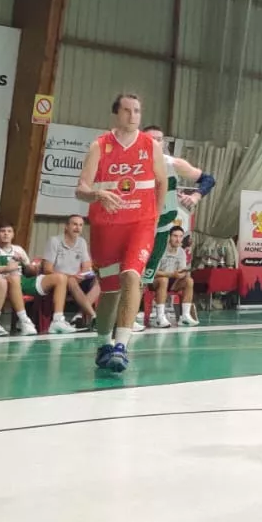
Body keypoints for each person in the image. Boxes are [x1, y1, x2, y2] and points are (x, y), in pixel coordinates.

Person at [77, 91, 170, 374]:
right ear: (117, 113)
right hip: (107, 227)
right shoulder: (100, 146)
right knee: (110, 291)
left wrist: (155, 218)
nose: (133, 115)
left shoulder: (149, 145)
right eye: (128, 110)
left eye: (138, 111)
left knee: (132, 277)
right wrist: (97, 195)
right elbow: (81, 189)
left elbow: (161, 181)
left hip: (140, 224)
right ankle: (104, 342)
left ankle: (121, 345)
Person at [142, 125, 210, 331]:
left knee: (146, 276)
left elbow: (209, 179)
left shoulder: (172, 164)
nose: (155, 142)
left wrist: (195, 196)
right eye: (151, 138)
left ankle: (178, 316)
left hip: (162, 228)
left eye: (159, 139)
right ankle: (130, 317)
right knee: (133, 275)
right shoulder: (134, 163)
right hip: (140, 228)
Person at [40, 215, 101, 327]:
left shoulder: (81, 242)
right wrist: (71, 276)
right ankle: (94, 316)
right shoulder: (54, 241)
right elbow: (47, 269)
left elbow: (87, 265)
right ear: (66, 227)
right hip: (60, 281)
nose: (77, 228)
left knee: (99, 281)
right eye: (74, 224)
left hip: (77, 279)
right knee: (71, 280)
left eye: (80, 225)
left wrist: (82, 275)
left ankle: (78, 316)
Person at [149, 226, 197, 326]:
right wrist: (171, 274)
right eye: (175, 236)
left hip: (173, 280)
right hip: (155, 280)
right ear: (169, 237)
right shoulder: (160, 250)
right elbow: (153, 272)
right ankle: (159, 318)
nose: (178, 239)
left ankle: (185, 316)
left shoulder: (181, 252)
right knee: (163, 280)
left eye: (180, 236)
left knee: (189, 281)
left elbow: (182, 270)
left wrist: (182, 274)